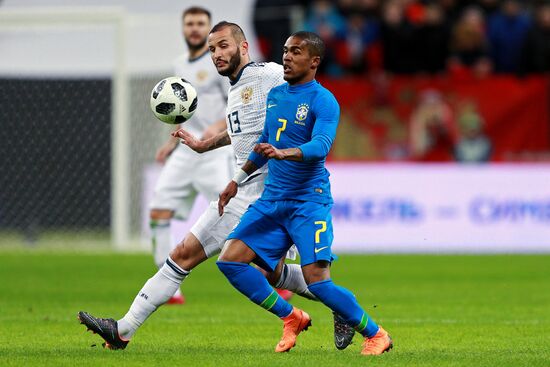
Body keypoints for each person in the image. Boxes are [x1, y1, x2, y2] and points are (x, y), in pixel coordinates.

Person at [78, 22, 354, 351]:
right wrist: (203, 145)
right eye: (212, 49)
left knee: (186, 256)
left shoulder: (267, 74)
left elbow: (309, 92)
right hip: (247, 190)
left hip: (264, 194)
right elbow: (243, 133)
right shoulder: (236, 90)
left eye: (223, 45)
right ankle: (342, 309)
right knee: (271, 272)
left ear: (244, 47)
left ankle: (123, 329)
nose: (217, 54)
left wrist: (300, 143)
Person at [216, 31, 393, 355]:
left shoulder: (323, 100)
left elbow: (320, 146)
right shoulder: (276, 95)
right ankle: (292, 317)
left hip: (307, 202)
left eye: (295, 52)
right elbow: (263, 145)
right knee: (230, 261)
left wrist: (285, 153)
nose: (286, 56)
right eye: (285, 50)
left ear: (314, 61)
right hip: (272, 200)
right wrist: (236, 181)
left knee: (318, 282)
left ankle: (376, 333)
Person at [148, 6, 233, 305]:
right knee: (158, 210)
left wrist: (217, 126)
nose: (195, 28)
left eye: (201, 24)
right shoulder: (179, 63)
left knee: (233, 218)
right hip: (185, 152)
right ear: (183, 28)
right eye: (190, 24)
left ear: (209, 29)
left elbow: (233, 104)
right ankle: (168, 287)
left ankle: (273, 271)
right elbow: (181, 107)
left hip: (214, 152)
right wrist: (169, 144)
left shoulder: (220, 63)